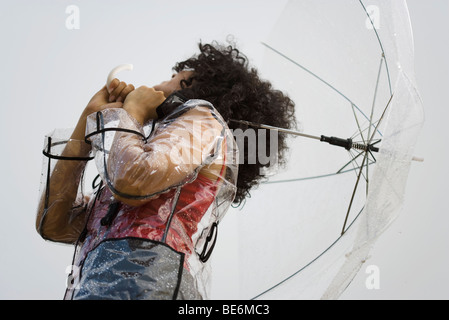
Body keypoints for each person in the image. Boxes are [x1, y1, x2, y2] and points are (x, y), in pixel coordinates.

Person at [36, 42, 296, 300]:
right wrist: (87, 122)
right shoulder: (135, 154)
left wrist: (134, 112)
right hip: (101, 284)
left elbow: (134, 180)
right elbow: (54, 224)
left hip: (149, 281)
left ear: (198, 84)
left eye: (175, 77)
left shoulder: (204, 119)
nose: (162, 82)